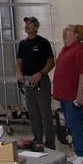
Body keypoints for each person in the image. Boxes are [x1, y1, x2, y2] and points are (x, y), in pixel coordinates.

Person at [52, 24, 83, 164]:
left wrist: (80, 93)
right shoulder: (65, 49)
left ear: (76, 35)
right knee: (70, 124)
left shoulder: (80, 50)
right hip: (63, 95)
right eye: (63, 32)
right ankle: (77, 152)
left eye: (68, 31)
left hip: (73, 96)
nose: (64, 34)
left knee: (77, 124)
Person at [16, 16, 56, 149]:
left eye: (30, 23)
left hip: (41, 82)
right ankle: (37, 140)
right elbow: (19, 61)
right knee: (33, 113)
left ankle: (50, 143)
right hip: (28, 82)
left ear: (36, 27)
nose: (27, 25)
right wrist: (19, 73)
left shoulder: (43, 43)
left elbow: (51, 62)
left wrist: (41, 73)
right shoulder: (23, 44)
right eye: (26, 23)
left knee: (45, 113)